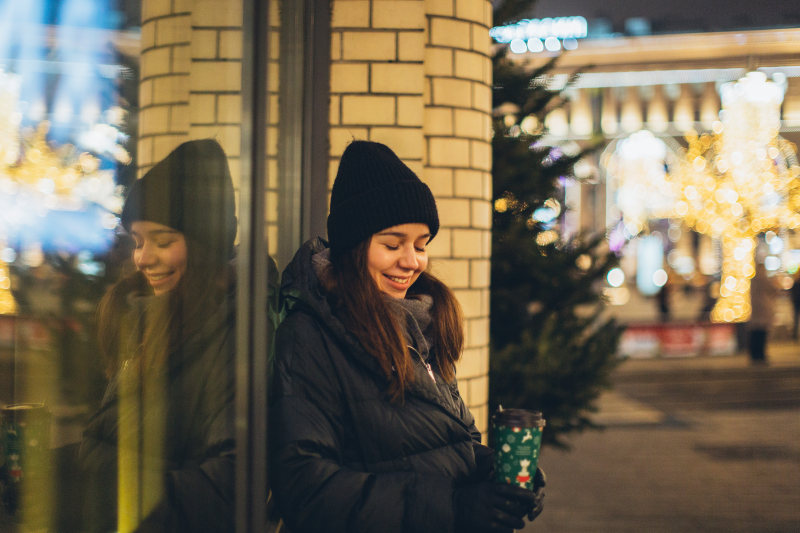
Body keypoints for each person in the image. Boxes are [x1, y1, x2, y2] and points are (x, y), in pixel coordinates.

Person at [269, 141, 545, 533]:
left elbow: (451, 440)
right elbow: (306, 489)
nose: (411, 261)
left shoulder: (420, 320)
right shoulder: (311, 335)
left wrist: (503, 472)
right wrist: (451, 507)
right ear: (352, 246)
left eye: (421, 245)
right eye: (392, 244)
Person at [78, 139, 238, 532]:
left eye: (163, 241)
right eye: (138, 241)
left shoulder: (236, 333)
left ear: (204, 246)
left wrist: (87, 482)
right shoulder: (145, 319)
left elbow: (223, 488)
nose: (143, 258)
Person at [747, 262, 777, 365]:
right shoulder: (763, 279)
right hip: (763, 310)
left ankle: (755, 355)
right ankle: (760, 355)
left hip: (756, 312)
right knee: (762, 334)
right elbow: (773, 290)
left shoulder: (753, 280)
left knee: (756, 334)